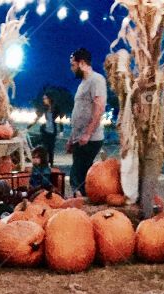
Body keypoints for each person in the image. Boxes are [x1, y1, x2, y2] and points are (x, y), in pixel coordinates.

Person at [67, 48, 106, 197]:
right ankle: (80, 203)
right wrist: (72, 138)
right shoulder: (83, 83)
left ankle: (80, 207)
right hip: (80, 138)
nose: (72, 69)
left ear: (82, 63)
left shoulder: (96, 80)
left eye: (73, 65)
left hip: (90, 138)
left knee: (78, 175)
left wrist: (88, 134)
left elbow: (99, 106)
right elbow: (80, 111)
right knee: (78, 174)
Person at [32, 91, 58, 167]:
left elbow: (59, 119)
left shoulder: (55, 108)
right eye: (43, 98)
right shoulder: (45, 108)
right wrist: (30, 126)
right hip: (45, 131)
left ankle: (51, 165)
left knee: (51, 148)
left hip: (52, 131)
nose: (44, 100)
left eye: (45, 98)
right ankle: (45, 164)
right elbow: (38, 117)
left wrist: (61, 130)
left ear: (49, 99)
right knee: (45, 148)